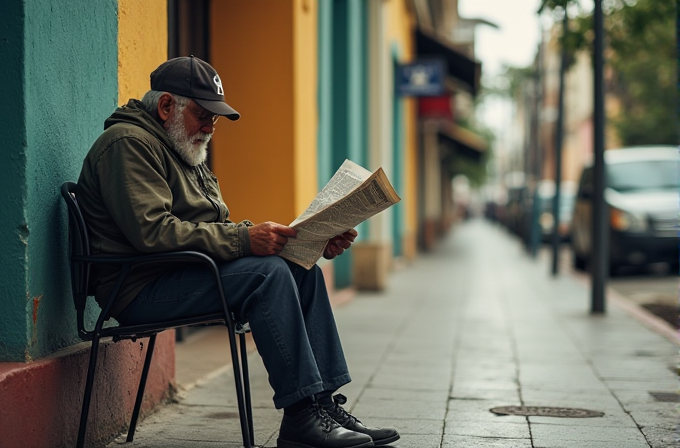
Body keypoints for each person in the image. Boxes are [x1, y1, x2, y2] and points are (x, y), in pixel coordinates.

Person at [77, 56, 400, 448]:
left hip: (180, 273)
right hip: (137, 287)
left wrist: (306, 241)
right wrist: (246, 241)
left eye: (214, 119)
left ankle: (322, 405)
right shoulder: (128, 145)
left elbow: (213, 227)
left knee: (302, 268)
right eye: (202, 116)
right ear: (166, 107)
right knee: (269, 275)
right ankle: (300, 417)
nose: (209, 128)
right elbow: (153, 233)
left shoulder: (183, 148)